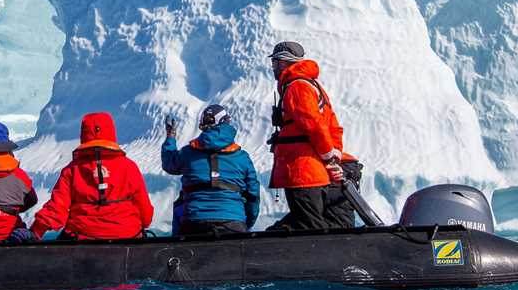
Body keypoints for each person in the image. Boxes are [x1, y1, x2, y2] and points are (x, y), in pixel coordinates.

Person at [266, 40, 356, 231]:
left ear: (282, 62)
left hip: (302, 169)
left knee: (308, 225)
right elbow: (332, 125)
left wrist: (328, 156)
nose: (272, 67)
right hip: (313, 170)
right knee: (311, 223)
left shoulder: (296, 86)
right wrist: (335, 154)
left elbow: (312, 123)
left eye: (274, 62)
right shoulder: (312, 85)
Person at [31, 112, 153, 241]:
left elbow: (57, 207)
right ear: (111, 132)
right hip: (128, 235)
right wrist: (143, 223)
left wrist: (35, 231)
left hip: (82, 237)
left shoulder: (72, 169)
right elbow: (144, 208)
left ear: (84, 134)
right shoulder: (129, 167)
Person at [161, 103, 260, 238]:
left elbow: (169, 163)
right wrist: (245, 222)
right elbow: (253, 194)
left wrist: (171, 137)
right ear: (225, 122)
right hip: (233, 222)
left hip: (194, 221)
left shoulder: (188, 153)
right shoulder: (242, 157)